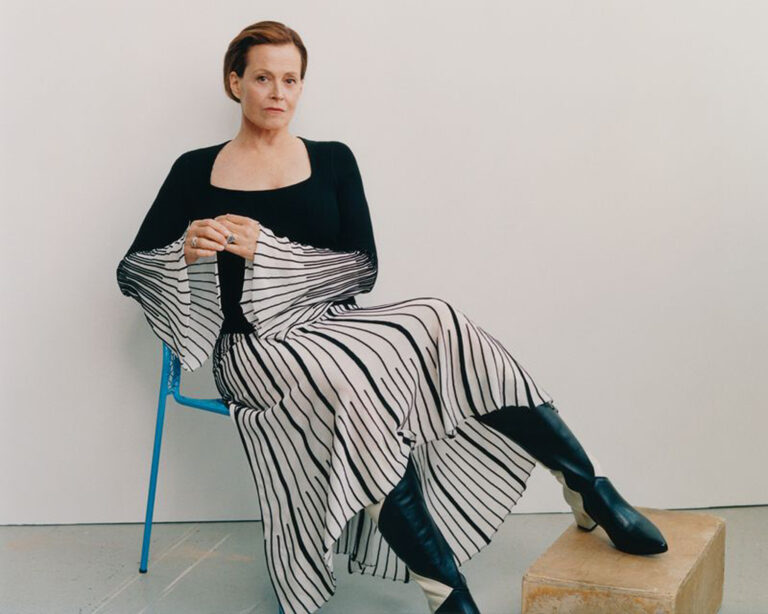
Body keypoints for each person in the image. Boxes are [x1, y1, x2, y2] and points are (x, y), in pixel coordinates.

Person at [116, 20, 668, 614]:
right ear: (235, 83)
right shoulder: (195, 170)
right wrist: (183, 253)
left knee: (440, 317)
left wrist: (267, 252)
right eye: (263, 78)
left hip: (335, 324)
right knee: (351, 385)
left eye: (291, 80)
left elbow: (363, 268)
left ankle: (588, 485)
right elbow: (131, 270)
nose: (278, 93)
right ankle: (445, 590)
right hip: (254, 348)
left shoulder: (332, 160)